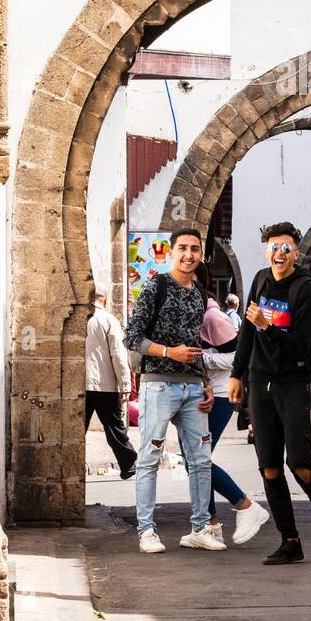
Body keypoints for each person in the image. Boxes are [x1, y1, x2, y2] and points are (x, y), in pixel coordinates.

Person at [229, 222, 311, 566]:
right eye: (274, 246)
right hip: (259, 380)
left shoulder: (306, 292)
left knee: (300, 464)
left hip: (291, 383)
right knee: (269, 467)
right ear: (267, 249)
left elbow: (301, 348)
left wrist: (270, 327)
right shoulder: (261, 280)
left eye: (286, 248)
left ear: (296, 253)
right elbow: (248, 333)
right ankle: (289, 540)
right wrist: (237, 374)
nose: (279, 253)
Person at [124, 228, 219, 555]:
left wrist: (205, 383)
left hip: (193, 387)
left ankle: (199, 528)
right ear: (171, 251)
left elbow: (195, 344)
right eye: (183, 248)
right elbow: (132, 338)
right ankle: (146, 531)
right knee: (150, 458)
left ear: (201, 254)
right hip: (158, 384)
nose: (189, 254)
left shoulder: (199, 293)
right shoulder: (156, 286)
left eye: (195, 249)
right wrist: (169, 352)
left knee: (201, 460)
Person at [183, 288, 269, 548]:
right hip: (197, 395)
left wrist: (201, 359)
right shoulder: (192, 316)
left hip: (218, 397)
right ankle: (209, 525)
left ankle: (245, 505)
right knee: (194, 461)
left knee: (197, 460)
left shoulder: (213, 317)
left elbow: (235, 357)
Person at [84, 290, 136, 479]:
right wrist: (125, 385)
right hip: (104, 384)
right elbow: (118, 355)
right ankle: (128, 462)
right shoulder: (108, 320)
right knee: (114, 426)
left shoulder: (81, 317)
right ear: (104, 299)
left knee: (78, 427)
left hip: (81, 382)